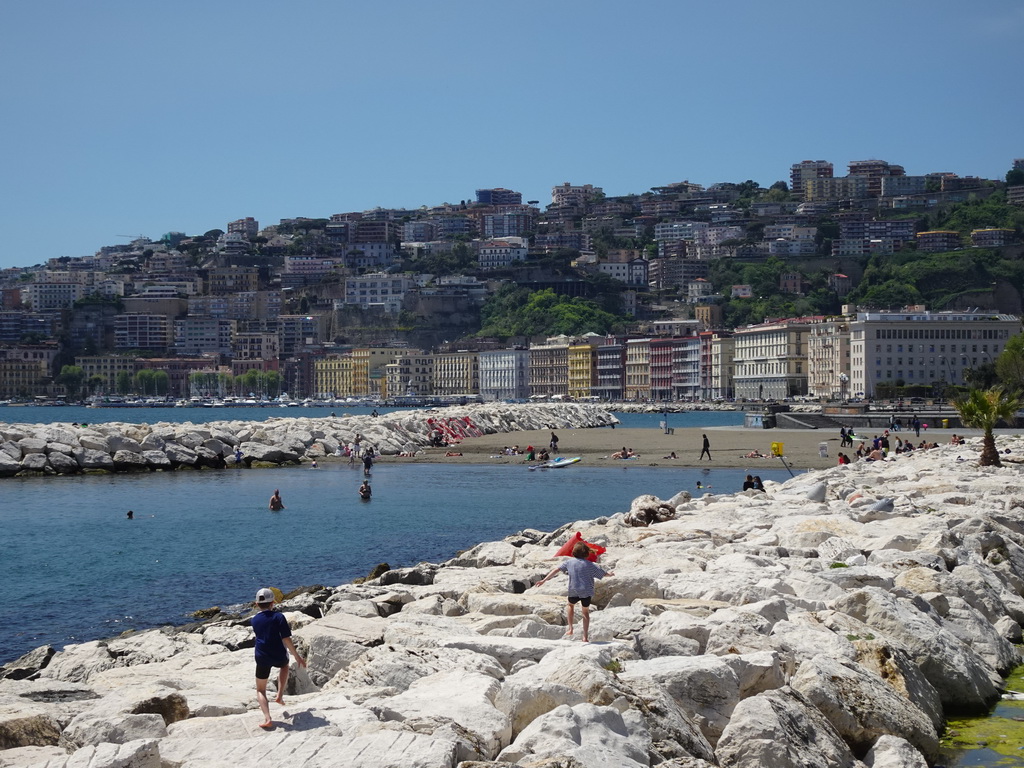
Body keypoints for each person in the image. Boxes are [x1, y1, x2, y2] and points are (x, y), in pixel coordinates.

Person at [533, 542, 613, 643]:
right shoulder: (590, 564)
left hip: (574, 589)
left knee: (570, 606)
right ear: (586, 553)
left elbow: (556, 570)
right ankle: (585, 637)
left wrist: (544, 580)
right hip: (586, 591)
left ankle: (570, 628)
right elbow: (602, 573)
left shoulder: (569, 562)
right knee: (585, 612)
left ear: (573, 552)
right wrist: (609, 574)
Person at [251, 588, 306, 729]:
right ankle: (280, 695)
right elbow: (286, 638)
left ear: (257, 604)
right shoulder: (279, 617)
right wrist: (297, 656)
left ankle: (267, 718)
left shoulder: (254, 619)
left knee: (260, 690)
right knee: (284, 666)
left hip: (262, 656)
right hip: (278, 654)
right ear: (273, 603)